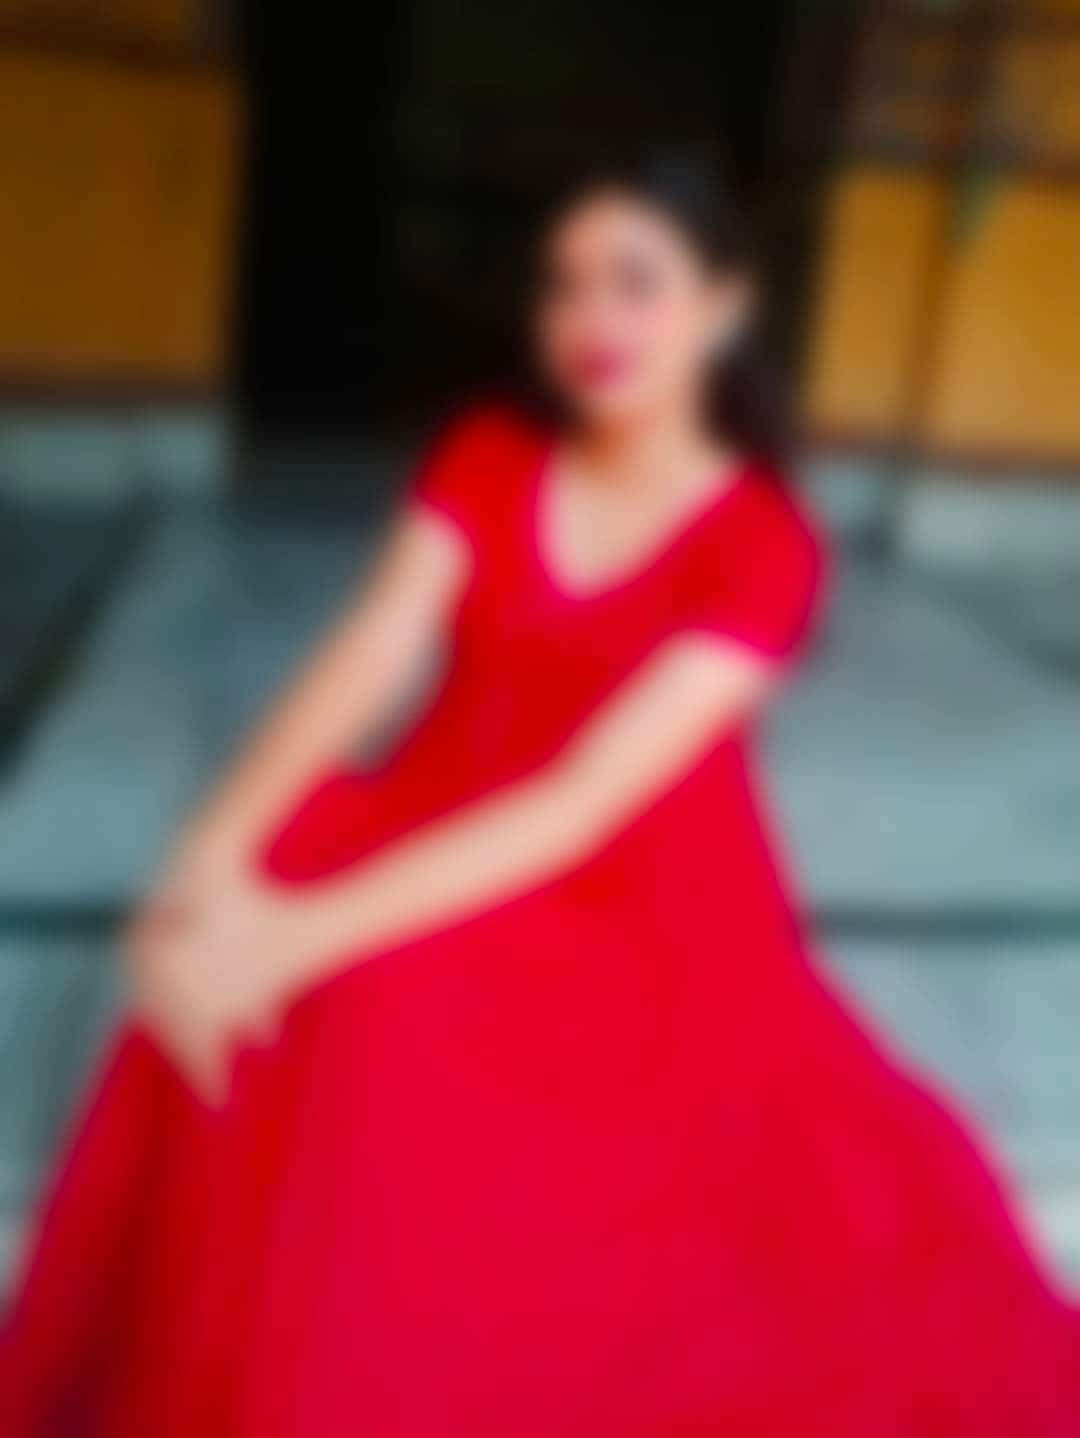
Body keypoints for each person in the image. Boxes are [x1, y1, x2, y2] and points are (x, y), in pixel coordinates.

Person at [2, 154, 1077, 1436]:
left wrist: (292, 938)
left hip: (639, 907)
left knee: (373, 1007)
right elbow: (369, 654)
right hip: (434, 808)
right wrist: (206, 865)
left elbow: (579, 803)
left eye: (637, 282)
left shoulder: (764, 543)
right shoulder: (493, 452)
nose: (591, 319)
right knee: (248, 909)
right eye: (564, 285)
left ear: (725, 306)